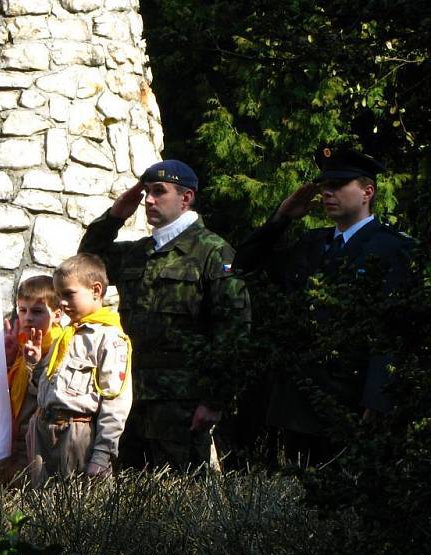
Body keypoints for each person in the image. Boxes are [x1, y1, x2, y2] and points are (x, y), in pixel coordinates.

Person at [233, 146, 415, 464]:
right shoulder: (312, 244)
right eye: (325, 186)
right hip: (299, 400)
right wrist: (281, 218)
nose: (327, 193)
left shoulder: (391, 248)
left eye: (339, 185)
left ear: (367, 192)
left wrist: (377, 398)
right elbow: (244, 264)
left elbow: (392, 331)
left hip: (351, 398)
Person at [79, 160, 251, 470]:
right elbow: (88, 259)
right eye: (146, 193)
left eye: (159, 192)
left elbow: (234, 329)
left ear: (186, 198)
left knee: (181, 503)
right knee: (130, 501)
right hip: (132, 398)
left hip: (182, 404)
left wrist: (215, 400)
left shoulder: (212, 252)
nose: (149, 200)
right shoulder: (139, 252)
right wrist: (117, 214)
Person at [24, 254, 132, 485]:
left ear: (96, 290)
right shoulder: (66, 335)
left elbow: (116, 402)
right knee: (42, 509)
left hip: (77, 434)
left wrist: (102, 455)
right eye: (59, 295)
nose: (62, 302)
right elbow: (44, 388)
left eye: (69, 294)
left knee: (80, 505)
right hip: (44, 431)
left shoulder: (110, 339)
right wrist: (36, 363)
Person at [0, 276, 63, 485]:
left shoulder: (60, 347)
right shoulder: (21, 344)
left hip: (38, 445)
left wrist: (35, 364)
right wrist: (7, 361)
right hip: (13, 440)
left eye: (37, 312)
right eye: (22, 310)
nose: (27, 318)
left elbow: (50, 396)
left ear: (57, 315)